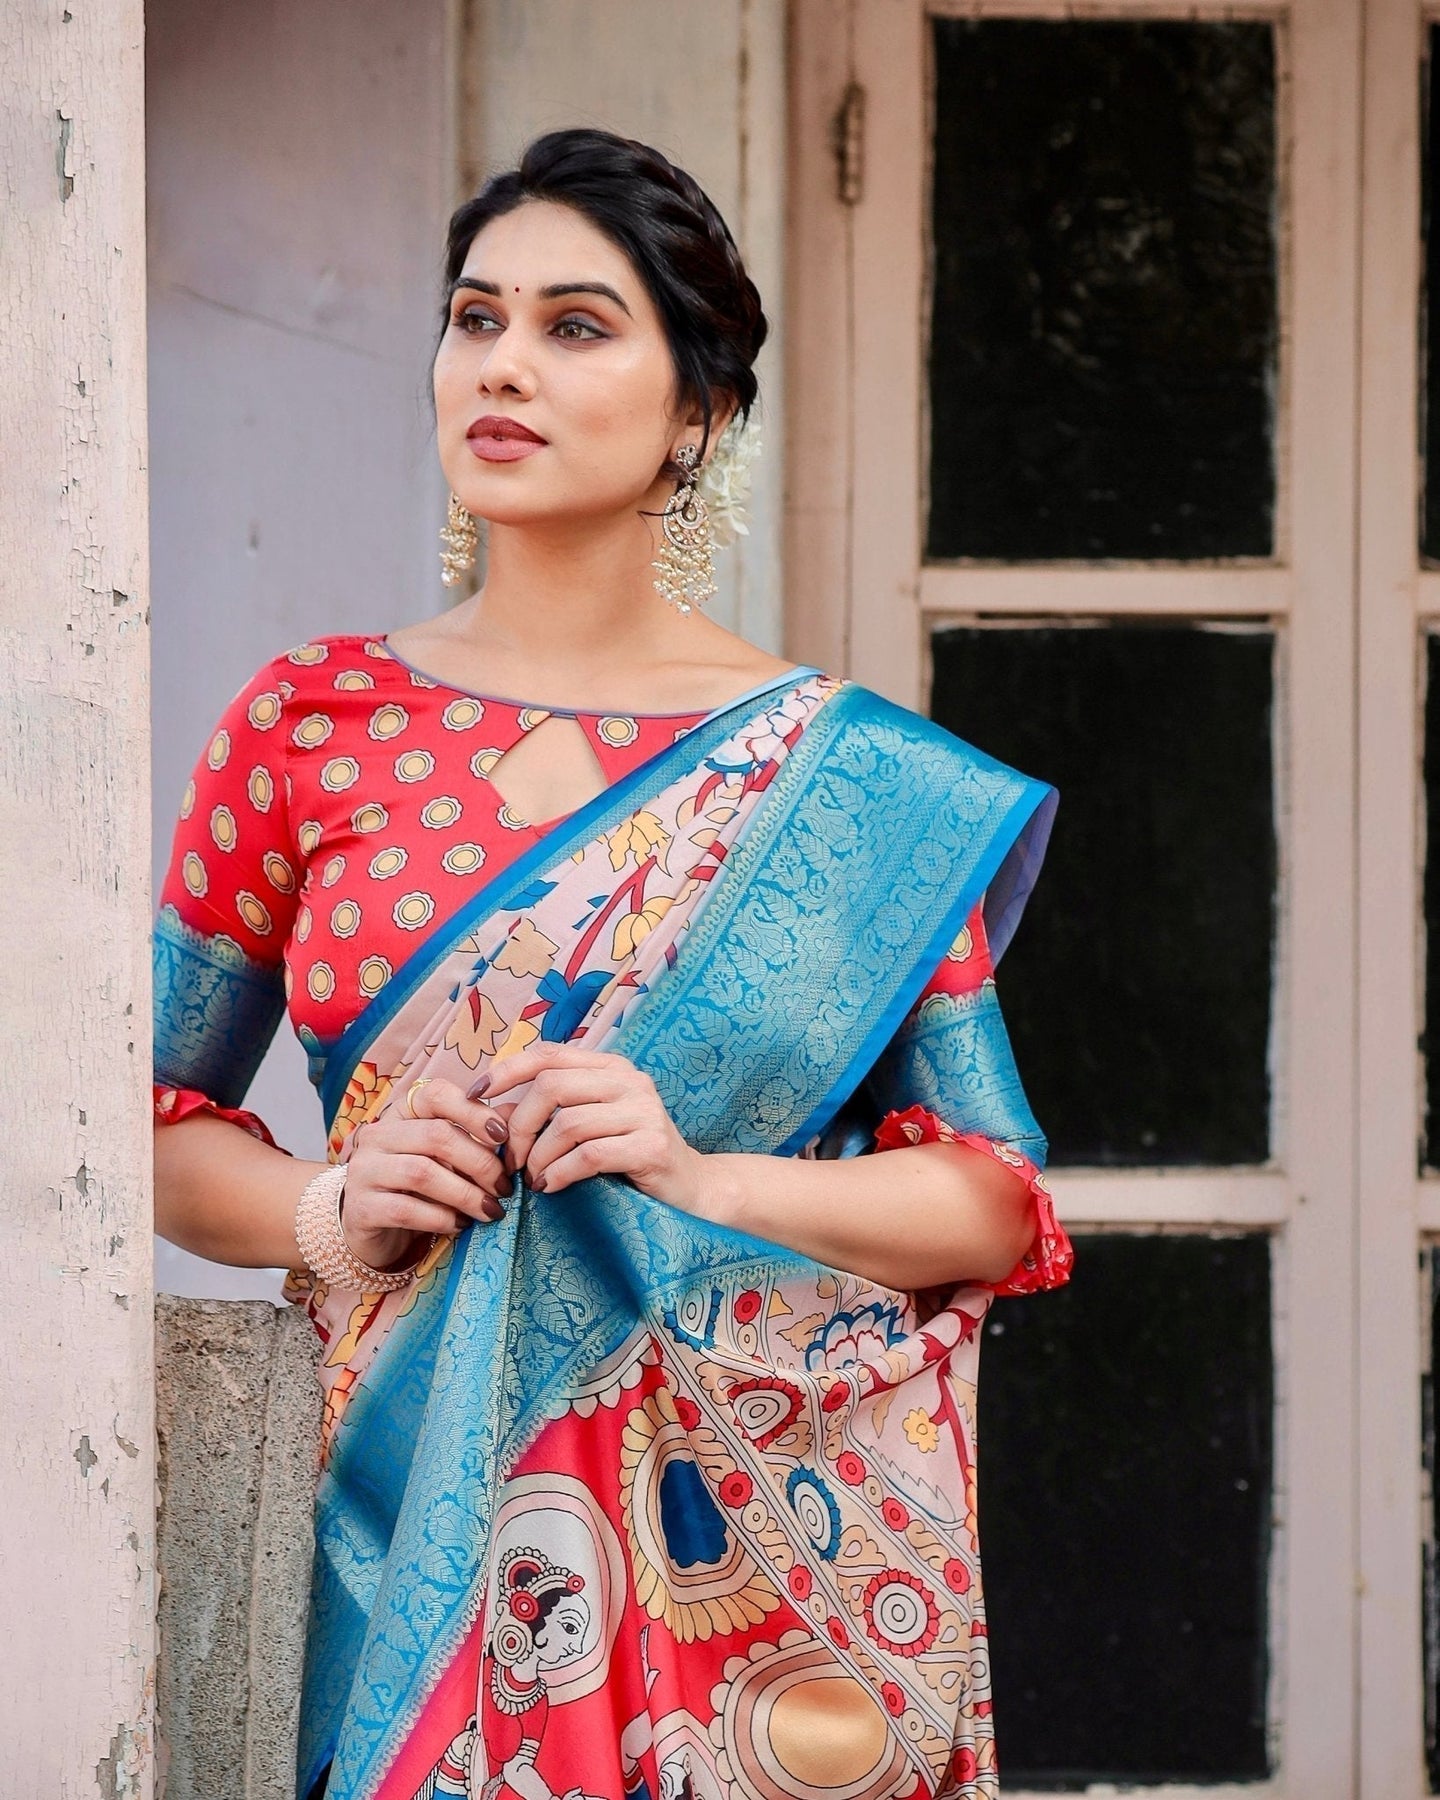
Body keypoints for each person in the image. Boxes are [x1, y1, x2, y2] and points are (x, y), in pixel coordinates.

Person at [152, 126, 1073, 1800]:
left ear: (697, 410)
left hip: (728, 1574)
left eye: (574, 325)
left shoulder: (848, 781)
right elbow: (137, 1129)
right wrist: (329, 1206)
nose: (502, 364)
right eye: (475, 317)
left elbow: (994, 1202)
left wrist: (700, 1177)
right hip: (387, 1518)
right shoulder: (307, 724)